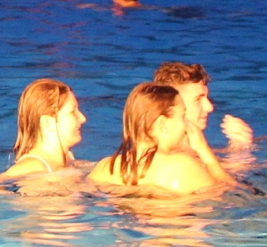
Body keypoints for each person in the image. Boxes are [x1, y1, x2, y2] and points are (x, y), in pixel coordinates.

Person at [88, 82, 235, 195]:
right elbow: (229, 193)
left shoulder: (104, 168)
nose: (185, 124)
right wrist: (205, 151)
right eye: (182, 116)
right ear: (162, 123)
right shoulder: (182, 167)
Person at [0, 78, 85, 181]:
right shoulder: (32, 166)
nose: (83, 118)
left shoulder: (67, 158)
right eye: (72, 112)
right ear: (48, 123)